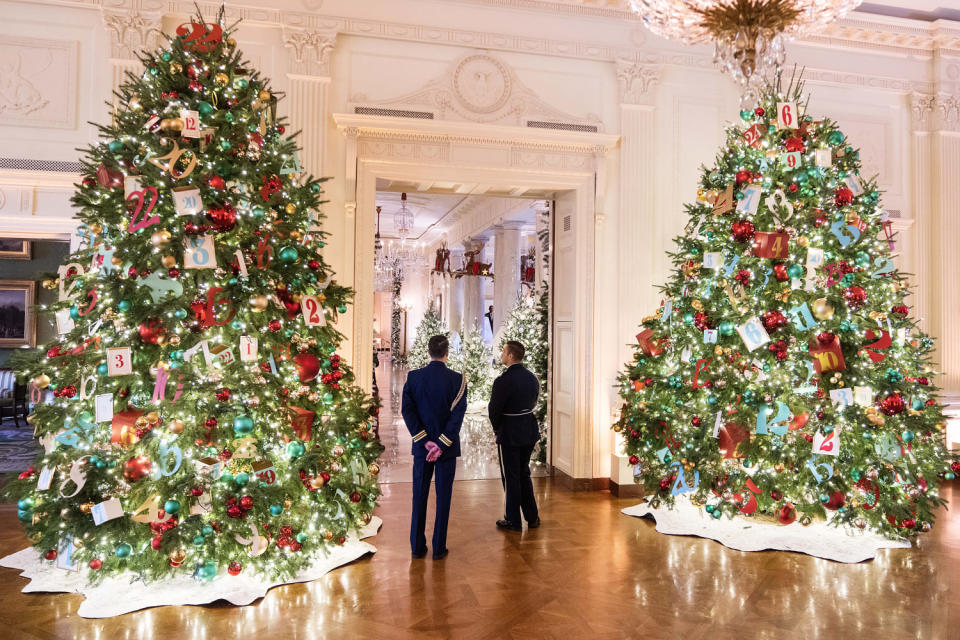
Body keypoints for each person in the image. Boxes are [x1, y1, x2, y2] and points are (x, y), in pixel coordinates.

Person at [401, 335, 468, 559]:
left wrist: (424, 440)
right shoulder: (458, 380)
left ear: (428, 352)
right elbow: (456, 418)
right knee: (443, 497)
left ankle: (416, 547)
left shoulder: (414, 377)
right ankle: (439, 548)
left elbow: (407, 412)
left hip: (422, 450)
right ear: (447, 352)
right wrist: (440, 444)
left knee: (419, 496)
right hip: (446, 450)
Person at [488, 340, 541, 531]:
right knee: (523, 473)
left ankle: (513, 519)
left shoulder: (503, 381)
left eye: (504, 351)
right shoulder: (532, 377)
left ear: (511, 355)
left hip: (510, 431)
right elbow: (534, 400)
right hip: (528, 429)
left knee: (511, 477)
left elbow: (494, 410)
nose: (502, 354)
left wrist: (497, 430)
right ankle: (532, 517)